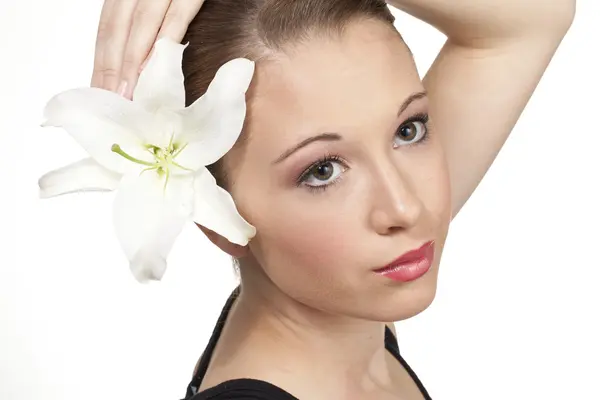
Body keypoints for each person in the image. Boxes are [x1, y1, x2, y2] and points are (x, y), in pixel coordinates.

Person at [91, 0, 575, 399]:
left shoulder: (344, 309)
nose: (406, 209)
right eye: (322, 171)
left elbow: (536, 16)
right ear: (218, 216)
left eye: (409, 130)